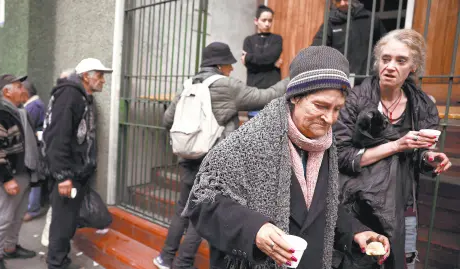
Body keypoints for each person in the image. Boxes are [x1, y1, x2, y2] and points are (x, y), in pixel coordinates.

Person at [182, 46, 391, 269]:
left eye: (337, 108)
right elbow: (203, 201)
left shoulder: (325, 144)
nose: (330, 118)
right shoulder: (249, 141)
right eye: (321, 106)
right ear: (295, 98)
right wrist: (255, 229)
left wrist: (356, 231)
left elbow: (321, 208)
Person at [153, 42, 288, 269]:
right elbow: (266, 96)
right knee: (203, 214)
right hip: (213, 163)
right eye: (229, 65)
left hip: (187, 158)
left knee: (182, 209)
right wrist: (292, 78)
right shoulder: (226, 86)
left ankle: (165, 258)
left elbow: (167, 120)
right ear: (219, 65)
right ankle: (183, 264)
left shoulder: (188, 85)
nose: (232, 69)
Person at [334, 29, 452, 269]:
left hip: (401, 199)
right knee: (358, 260)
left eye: (401, 61)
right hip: (357, 200)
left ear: (413, 67)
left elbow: (418, 155)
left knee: (398, 259)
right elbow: (342, 156)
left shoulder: (422, 105)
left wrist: (429, 158)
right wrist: (397, 145)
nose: (390, 66)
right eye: (385, 59)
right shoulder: (355, 99)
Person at [41, 59, 112, 269]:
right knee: (62, 224)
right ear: (85, 76)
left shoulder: (81, 96)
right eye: (99, 75)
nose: (103, 80)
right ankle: (56, 263)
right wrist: (63, 176)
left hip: (75, 174)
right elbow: (58, 137)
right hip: (67, 175)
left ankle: (60, 260)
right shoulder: (70, 95)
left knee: (67, 221)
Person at [0, 74, 37, 269]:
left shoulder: (17, 112)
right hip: (10, 176)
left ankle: (10, 248)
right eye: (19, 87)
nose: (24, 90)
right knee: (3, 218)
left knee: (17, 215)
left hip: (23, 172)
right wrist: (6, 179)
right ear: (6, 91)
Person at [312, 0, 387, 85]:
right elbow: (317, 48)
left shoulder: (371, 19)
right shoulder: (331, 21)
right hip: (338, 79)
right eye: (338, 1)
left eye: (346, 0)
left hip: (366, 80)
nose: (343, 3)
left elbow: (384, 45)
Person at [40, 68, 75, 248]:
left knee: (57, 209)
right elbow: (60, 137)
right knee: (58, 210)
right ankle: (53, 250)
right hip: (58, 166)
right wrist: (62, 174)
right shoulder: (66, 97)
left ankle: (51, 245)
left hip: (53, 163)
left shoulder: (56, 97)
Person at [242, 4, 283, 119]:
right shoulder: (249, 40)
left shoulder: (277, 39)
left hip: (272, 90)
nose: (267, 24)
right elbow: (268, 59)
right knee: (253, 129)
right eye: (264, 20)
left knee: (272, 127)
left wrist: (250, 58)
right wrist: (271, 63)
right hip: (254, 90)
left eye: (270, 20)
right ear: (256, 21)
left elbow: (271, 56)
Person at [21, 79, 47, 222]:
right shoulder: (32, 105)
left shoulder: (34, 106)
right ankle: (31, 207)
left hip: (34, 147)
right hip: (33, 146)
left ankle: (33, 209)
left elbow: (26, 127)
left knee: (34, 177)